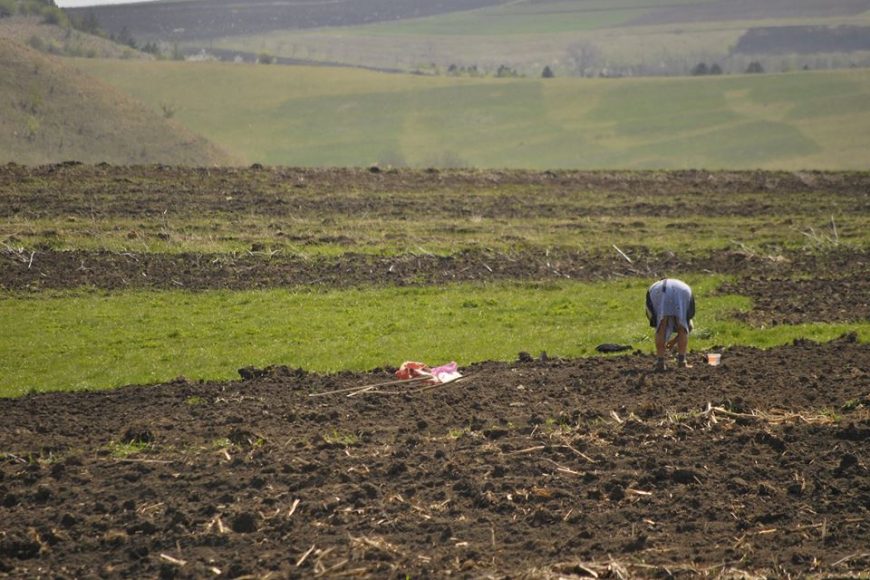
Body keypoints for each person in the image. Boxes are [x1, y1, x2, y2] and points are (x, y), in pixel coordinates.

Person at [645, 278, 695, 371]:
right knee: (682, 325)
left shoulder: (655, 286)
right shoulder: (683, 286)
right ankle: (682, 361)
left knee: (661, 326)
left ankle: (660, 362)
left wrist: (672, 341)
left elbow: (654, 319)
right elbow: (688, 327)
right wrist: (674, 341)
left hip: (657, 292)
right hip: (683, 290)